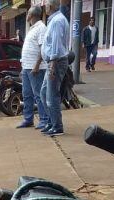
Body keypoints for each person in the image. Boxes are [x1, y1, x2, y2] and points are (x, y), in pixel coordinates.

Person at [17, 6, 49, 130]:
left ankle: (44, 120)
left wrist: (36, 65)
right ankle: (28, 119)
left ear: (31, 15)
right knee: (27, 94)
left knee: (39, 95)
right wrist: (23, 67)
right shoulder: (32, 28)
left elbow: (43, 49)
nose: (26, 16)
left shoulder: (41, 28)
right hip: (26, 67)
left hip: (37, 68)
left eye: (28, 13)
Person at [40, 0, 70, 136]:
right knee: (44, 92)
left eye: (46, 5)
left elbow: (57, 45)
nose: (44, 7)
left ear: (50, 6)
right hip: (53, 61)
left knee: (52, 95)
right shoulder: (54, 20)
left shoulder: (57, 21)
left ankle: (57, 126)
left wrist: (52, 64)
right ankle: (52, 122)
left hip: (56, 62)